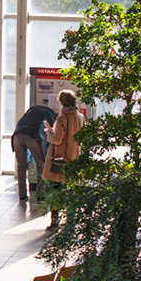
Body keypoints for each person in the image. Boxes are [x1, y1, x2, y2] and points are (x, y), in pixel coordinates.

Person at [42, 90, 86, 230]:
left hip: (60, 159)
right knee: (71, 191)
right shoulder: (80, 116)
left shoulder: (62, 118)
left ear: (62, 102)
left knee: (56, 191)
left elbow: (57, 139)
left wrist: (49, 132)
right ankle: (71, 222)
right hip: (74, 158)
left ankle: (54, 223)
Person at [12, 104, 58, 201]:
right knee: (41, 166)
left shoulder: (31, 112)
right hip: (33, 137)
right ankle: (40, 195)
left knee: (21, 166)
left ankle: (22, 195)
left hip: (17, 136)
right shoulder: (50, 115)